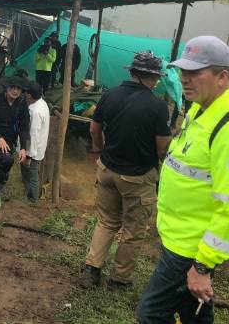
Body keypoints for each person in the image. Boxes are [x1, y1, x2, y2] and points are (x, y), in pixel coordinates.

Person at [137, 36, 229, 323]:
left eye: (195, 72)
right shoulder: (201, 107)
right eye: (184, 71)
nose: (185, 79)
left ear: (223, 76)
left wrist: (202, 266)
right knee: (192, 313)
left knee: (150, 314)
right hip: (177, 235)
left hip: (191, 248)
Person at [79, 51, 171, 290]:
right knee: (132, 230)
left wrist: (99, 149)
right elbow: (162, 147)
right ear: (152, 78)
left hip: (107, 169)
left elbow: (94, 128)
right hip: (137, 177)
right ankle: (119, 279)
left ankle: (92, 270)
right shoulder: (158, 106)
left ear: (131, 72)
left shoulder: (110, 95)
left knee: (107, 222)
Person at [20, 81, 49, 203]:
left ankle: (33, 200)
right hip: (39, 147)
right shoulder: (42, 103)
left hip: (34, 149)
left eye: (26, 92)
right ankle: (31, 196)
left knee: (32, 175)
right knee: (31, 174)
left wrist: (29, 155)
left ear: (29, 95)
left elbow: (33, 134)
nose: (25, 94)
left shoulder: (35, 112)